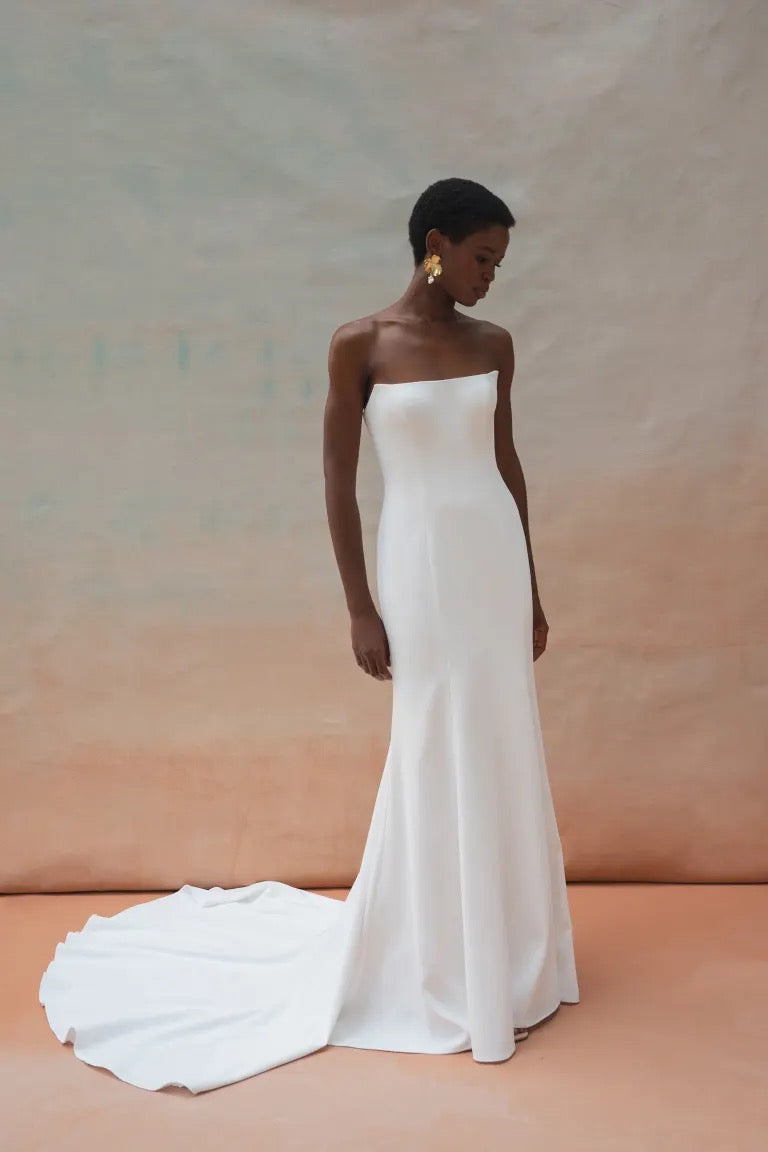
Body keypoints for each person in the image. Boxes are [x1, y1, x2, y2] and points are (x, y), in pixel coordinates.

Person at [38, 177, 578, 1094]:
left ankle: (512, 954)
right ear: (437, 243)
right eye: (484, 258)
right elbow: (336, 481)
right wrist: (359, 606)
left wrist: (531, 589)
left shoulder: (495, 344)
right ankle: (434, 957)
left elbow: (507, 464)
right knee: (429, 741)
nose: (493, 278)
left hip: (488, 562)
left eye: (501, 263)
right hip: (416, 564)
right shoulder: (360, 345)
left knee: (501, 738)